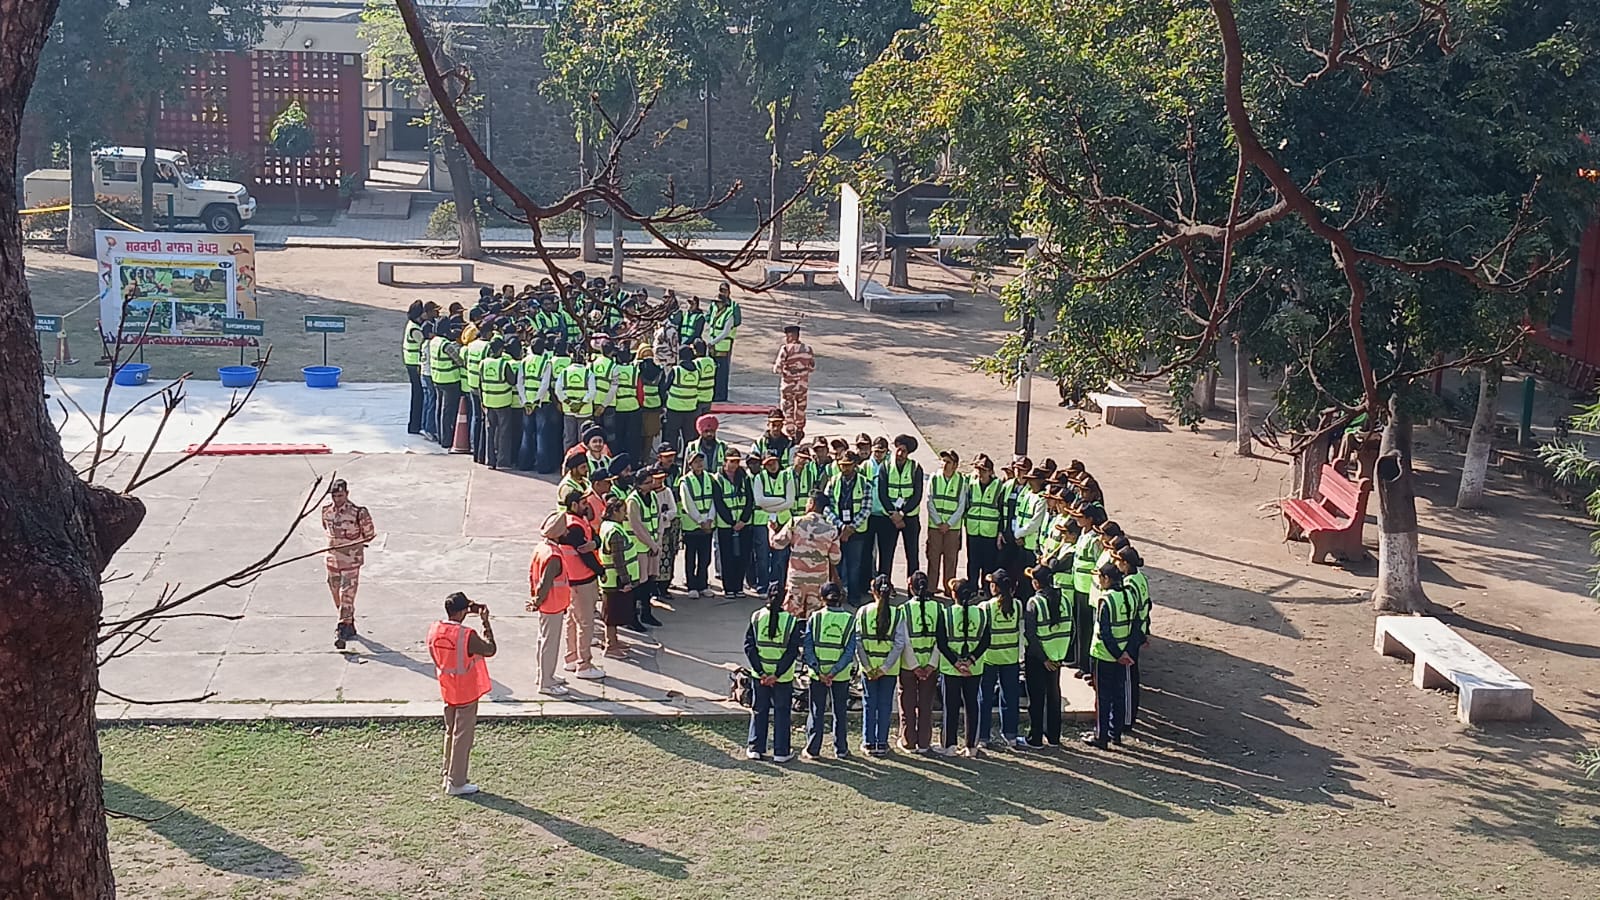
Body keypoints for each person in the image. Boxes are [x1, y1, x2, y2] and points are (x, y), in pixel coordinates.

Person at [428, 592, 496, 796]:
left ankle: (447, 773)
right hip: (466, 689)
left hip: (447, 687)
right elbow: (490, 649)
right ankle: (456, 782)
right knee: (463, 737)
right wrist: (485, 622)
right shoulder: (467, 635)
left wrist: (470, 606)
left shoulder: (435, 629)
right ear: (462, 612)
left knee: (450, 732)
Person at [1085, 563, 1141, 749]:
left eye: (1100, 577)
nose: (1099, 581)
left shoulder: (1105, 600)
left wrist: (1117, 654)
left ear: (1107, 578)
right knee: (1118, 695)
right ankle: (1115, 733)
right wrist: (1127, 652)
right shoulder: (1130, 595)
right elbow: (1136, 626)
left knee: (1103, 697)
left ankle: (1101, 736)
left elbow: (1105, 632)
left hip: (1104, 655)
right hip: (1124, 655)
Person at [744, 586, 803, 762]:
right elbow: (792, 652)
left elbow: (749, 647)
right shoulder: (791, 621)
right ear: (784, 599)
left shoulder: (756, 617)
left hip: (760, 676)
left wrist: (762, 672)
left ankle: (755, 748)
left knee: (759, 709)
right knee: (782, 712)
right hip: (782, 677)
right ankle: (781, 752)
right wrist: (776, 674)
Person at [936, 577, 990, 758]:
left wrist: (956, 663)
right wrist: (970, 660)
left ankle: (949, 745)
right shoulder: (982, 613)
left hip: (951, 669)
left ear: (954, 595)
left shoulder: (946, 613)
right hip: (974, 668)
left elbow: (941, 643)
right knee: (972, 705)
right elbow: (986, 641)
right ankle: (971, 746)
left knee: (950, 707)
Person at [802, 582, 857, 760]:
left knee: (816, 711)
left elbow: (808, 646)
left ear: (821, 598)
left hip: (817, 675)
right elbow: (850, 651)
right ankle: (841, 749)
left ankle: (813, 749)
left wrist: (819, 670)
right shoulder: (850, 620)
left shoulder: (815, 617)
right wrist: (834, 671)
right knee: (840, 712)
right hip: (840, 675)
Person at [857, 574, 908, 757]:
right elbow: (899, 643)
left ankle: (869, 742)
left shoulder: (863, 612)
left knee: (869, 704)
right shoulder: (898, 613)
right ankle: (882, 743)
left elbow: (858, 641)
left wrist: (868, 667)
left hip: (868, 668)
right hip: (889, 669)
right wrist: (885, 667)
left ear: (873, 591)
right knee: (885, 705)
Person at [322, 478, 377, 650]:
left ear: (347, 493)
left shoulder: (358, 513)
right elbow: (326, 529)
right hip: (332, 559)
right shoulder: (326, 511)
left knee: (347, 594)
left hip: (351, 560)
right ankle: (348, 622)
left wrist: (353, 543)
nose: (337, 499)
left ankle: (341, 629)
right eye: (334, 496)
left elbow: (370, 534)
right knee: (335, 591)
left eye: (340, 495)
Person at [558, 492, 606, 681]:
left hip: (573, 581)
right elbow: (586, 554)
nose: (587, 505)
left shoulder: (574, 521)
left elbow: (596, 538)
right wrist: (600, 570)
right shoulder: (575, 527)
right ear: (574, 504)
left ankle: (571, 658)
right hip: (582, 580)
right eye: (584, 502)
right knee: (585, 623)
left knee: (572, 620)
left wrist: (594, 543)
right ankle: (584, 665)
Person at [977, 569, 1026, 750]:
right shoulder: (1018, 605)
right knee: (1010, 698)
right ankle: (1011, 736)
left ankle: (983, 737)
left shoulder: (985, 607)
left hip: (989, 658)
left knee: (985, 698)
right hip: (1010, 658)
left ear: (994, 587)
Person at [773, 492, 841, 618]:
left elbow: (777, 544)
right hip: (819, 581)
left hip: (796, 579)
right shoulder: (831, 529)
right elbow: (835, 558)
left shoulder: (795, 522)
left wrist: (771, 531)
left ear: (812, 504)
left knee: (791, 616)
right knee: (814, 617)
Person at [896, 571, 943, 754]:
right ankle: (924, 742)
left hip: (908, 666)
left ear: (910, 587)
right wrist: (931, 664)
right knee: (926, 705)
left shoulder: (904, 609)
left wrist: (914, 665)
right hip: (930, 666)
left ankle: (908, 741)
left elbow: (904, 641)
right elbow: (941, 640)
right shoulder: (938, 608)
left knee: (907, 704)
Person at [527, 512, 574, 696]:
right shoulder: (553, 556)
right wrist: (537, 601)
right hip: (552, 604)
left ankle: (544, 675)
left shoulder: (542, 548)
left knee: (543, 640)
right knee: (550, 643)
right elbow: (545, 584)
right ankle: (546, 683)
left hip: (547, 604)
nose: (567, 533)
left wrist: (536, 600)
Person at [1022, 566, 1069, 747]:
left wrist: (1044, 659)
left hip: (1038, 658)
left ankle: (1035, 738)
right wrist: (1060, 656)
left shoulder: (1034, 603)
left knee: (1036, 698)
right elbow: (1071, 630)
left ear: (1036, 583)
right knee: (1053, 696)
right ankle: (1054, 737)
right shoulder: (1065, 600)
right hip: (1057, 657)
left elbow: (1030, 635)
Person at [825, 451, 873, 606]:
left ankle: (854, 596)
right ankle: (835, 595)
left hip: (856, 532)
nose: (844, 468)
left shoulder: (864, 483)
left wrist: (850, 528)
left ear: (855, 465)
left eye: (847, 465)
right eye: (842, 465)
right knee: (836, 565)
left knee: (854, 566)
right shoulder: (833, 481)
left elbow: (866, 508)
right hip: (837, 531)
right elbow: (826, 507)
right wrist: (841, 526)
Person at [875, 434, 925, 578]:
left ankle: (913, 585)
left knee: (912, 554)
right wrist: (893, 514)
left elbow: (917, 495)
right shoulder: (885, 467)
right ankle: (884, 584)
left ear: (908, 453)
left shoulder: (915, 468)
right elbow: (882, 493)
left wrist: (902, 513)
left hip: (910, 517)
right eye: (899, 450)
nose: (900, 454)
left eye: (904, 451)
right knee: (886, 554)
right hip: (889, 517)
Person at [597, 497, 640, 660]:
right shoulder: (615, 532)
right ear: (614, 511)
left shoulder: (607, 526)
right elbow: (618, 560)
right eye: (622, 511)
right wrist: (625, 581)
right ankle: (610, 646)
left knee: (613, 612)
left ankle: (613, 640)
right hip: (615, 580)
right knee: (612, 615)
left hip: (612, 579)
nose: (625, 515)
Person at [626, 465, 668, 629]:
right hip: (639, 547)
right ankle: (633, 617)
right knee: (639, 583)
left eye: (651, 481)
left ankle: (646, 612)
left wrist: (657, 543)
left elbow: (658, 519)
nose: (651, 485)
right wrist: (651, 544)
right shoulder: (633, 501)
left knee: (650, 581)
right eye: (647, 482)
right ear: (638, 484)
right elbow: (636, 526)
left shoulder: (653, 496)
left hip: (652, 546)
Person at [751, 448, 796, 595]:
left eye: (774, 462)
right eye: (768, 463)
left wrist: (769, 505)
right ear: (764, 465)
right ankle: (763, 586)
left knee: (780, 555)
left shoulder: (787, 476)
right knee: (762, 555)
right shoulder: (759, 478)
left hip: (783, 521)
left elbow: (790, 502)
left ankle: (778, 586)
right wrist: (781, 500)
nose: (772, 466)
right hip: (762, 521)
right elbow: (759, 500)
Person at [712, 449, 755, 599]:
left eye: (737, 461)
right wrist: (731, 522)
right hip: (726, 525)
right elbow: (719, 502)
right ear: (725, 462)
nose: (734, 465)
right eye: (731, 461)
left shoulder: (744, 478)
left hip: (744, 524)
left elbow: (750, 499)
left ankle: (739, 586)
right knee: (727, 557)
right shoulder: (717, 479)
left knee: (743, 556)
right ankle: (729, 588)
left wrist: (743, 520)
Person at [1116, 547, 1150, 732]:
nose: (1116, 564)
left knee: (1128, 680)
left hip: (1132, 636)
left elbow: (1134, 613)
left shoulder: (1129, 584)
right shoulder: (1140, 578)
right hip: (1139, 632)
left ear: (1126, 563)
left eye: (1118, 561)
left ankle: (1127, 721)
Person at [925, 449, 968, 591]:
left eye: (948, 462)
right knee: (933, 558)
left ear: (955, 465)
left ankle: (949, 589)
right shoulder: (934, 478)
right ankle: (931, 587)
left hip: (952, 528)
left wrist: (949, 524)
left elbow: (961, 505)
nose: (944, 464)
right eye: (943, 461)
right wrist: (938, 522)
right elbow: (929, 501)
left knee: (951, 559)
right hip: (935, 526)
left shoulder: (961, 481)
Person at [677, 451, 717, 598]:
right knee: (690, 557)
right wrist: (700, 520)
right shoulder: (685, 481)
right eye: (696, 462)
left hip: (708, 525)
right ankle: (691, 586)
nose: (699, 464)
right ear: (690, 465)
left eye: (701, 461)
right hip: (692, 526)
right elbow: (688, 503)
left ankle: (703, 584)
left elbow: (714, 500)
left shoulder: (710, 478)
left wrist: (710, 519)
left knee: (705, 557)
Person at [480, 336, 522, 469]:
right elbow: (512, 381)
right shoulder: (504, 364)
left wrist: (482, 400)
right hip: (503, 402)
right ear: (500, 349)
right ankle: (503, 461)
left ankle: (490, 460)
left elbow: (480, 383)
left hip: (488, 401)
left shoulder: (483, 363)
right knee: (504, 433)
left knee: (490, 431)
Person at [964, 454, 1005, 586]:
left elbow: (1002, 510)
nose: (980, 473)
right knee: (973, 562)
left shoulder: (998, 486)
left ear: (990, 471)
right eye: (978, 469)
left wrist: (1000, 531)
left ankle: (986, 588)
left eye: (984, 470)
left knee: (988, 563)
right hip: (973, 530)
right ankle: (972, 587)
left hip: (990, 532)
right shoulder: (971, 484)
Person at [773, 324, 816, 435]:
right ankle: (800, 428)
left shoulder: (785, 349)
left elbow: (777, 369)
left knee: (788, 408)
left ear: (790, 336)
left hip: (788, 385)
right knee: (801, 408)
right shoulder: (808, 349)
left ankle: (790, 431)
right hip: (802, 385)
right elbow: (812, 368)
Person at [431, 321, 465, 450]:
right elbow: (459, 361)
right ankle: (447, 439)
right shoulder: (445, 344)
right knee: (448, 411)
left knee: (439, 408)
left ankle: (441, 436)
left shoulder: (433, 341)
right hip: (449, 380)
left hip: (437, 378)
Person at [706, 285, 741, 402]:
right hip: (713, 345)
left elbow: (726, 332)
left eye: (718, 303)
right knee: (714, 371)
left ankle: (721, 395)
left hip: (723, 345)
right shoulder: (714, 310)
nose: (716, 304)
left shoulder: (729, 313)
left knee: (722, 372)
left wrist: (713, 342)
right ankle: (714, 393)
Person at [663, 347, 702, 450]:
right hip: (691, 409)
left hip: (674, 408)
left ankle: (673, 456)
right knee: (689, 437)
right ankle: (688, 457)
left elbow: (665, 387)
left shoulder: (676, 370)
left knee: (672, 436)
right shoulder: (697, 371)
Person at [637, 345, 665, 456]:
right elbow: (662, 389)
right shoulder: (660, 370)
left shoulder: (638, 369)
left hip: (641, 404)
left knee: (640, 432)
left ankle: (639, 456)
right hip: (655, 405)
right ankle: (646, 457)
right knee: (650, 434)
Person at [403, 300, 426, 434]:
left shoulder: (413, 324)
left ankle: (415, 425)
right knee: (418, 395)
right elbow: (423, 342)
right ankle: (415, 425)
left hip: (412, 363)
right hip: (415, 364)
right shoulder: (415, 329)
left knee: (417, 394)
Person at [419, 320, 438, 441]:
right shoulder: (430, 344)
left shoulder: (424, 343)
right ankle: (429, 428)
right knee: (432, 401)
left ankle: (424, 425)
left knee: (427, 401)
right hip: (429, 374)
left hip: (423, 373)